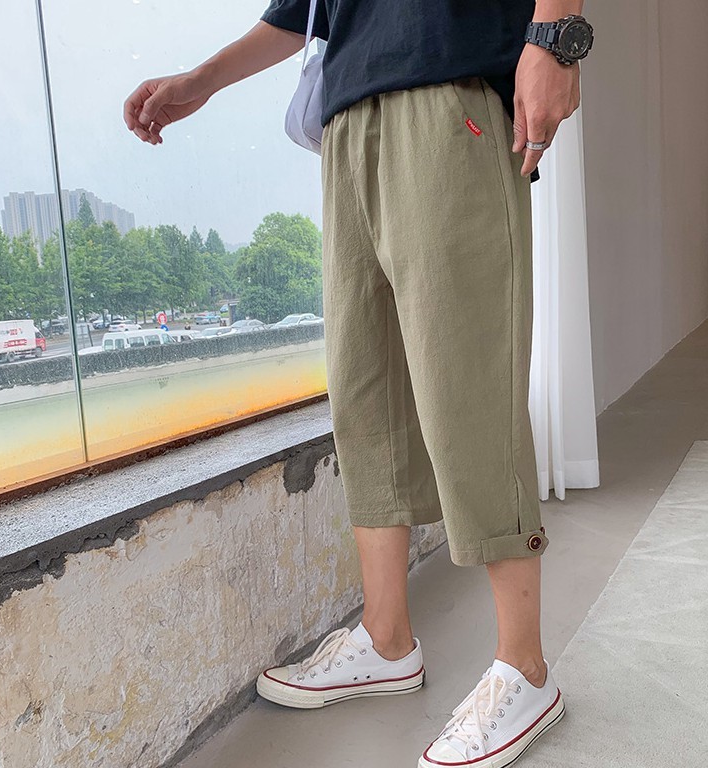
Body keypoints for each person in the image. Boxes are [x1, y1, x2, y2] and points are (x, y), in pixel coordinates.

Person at [124, 2, 591, 765]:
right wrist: (200, 81)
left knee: (468, 387)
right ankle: (386, 640)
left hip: (447, 95)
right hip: (345, 126)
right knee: (365, 392)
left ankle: (525, 668)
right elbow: (300, 11)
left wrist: (556, 39)